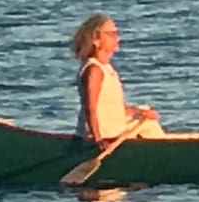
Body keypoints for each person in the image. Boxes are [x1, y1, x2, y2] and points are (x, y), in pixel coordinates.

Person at [70, 14, 165, 147]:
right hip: (104, 135)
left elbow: (112, 108)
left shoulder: (107, 68)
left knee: (147, 119)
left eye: (116, 33)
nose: (117, 38)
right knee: (149, 127)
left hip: (115, 130)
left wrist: (141, 112)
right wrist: (98, 140)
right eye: (110, 34)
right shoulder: (94, 70)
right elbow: (90, 108)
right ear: (96, 40)